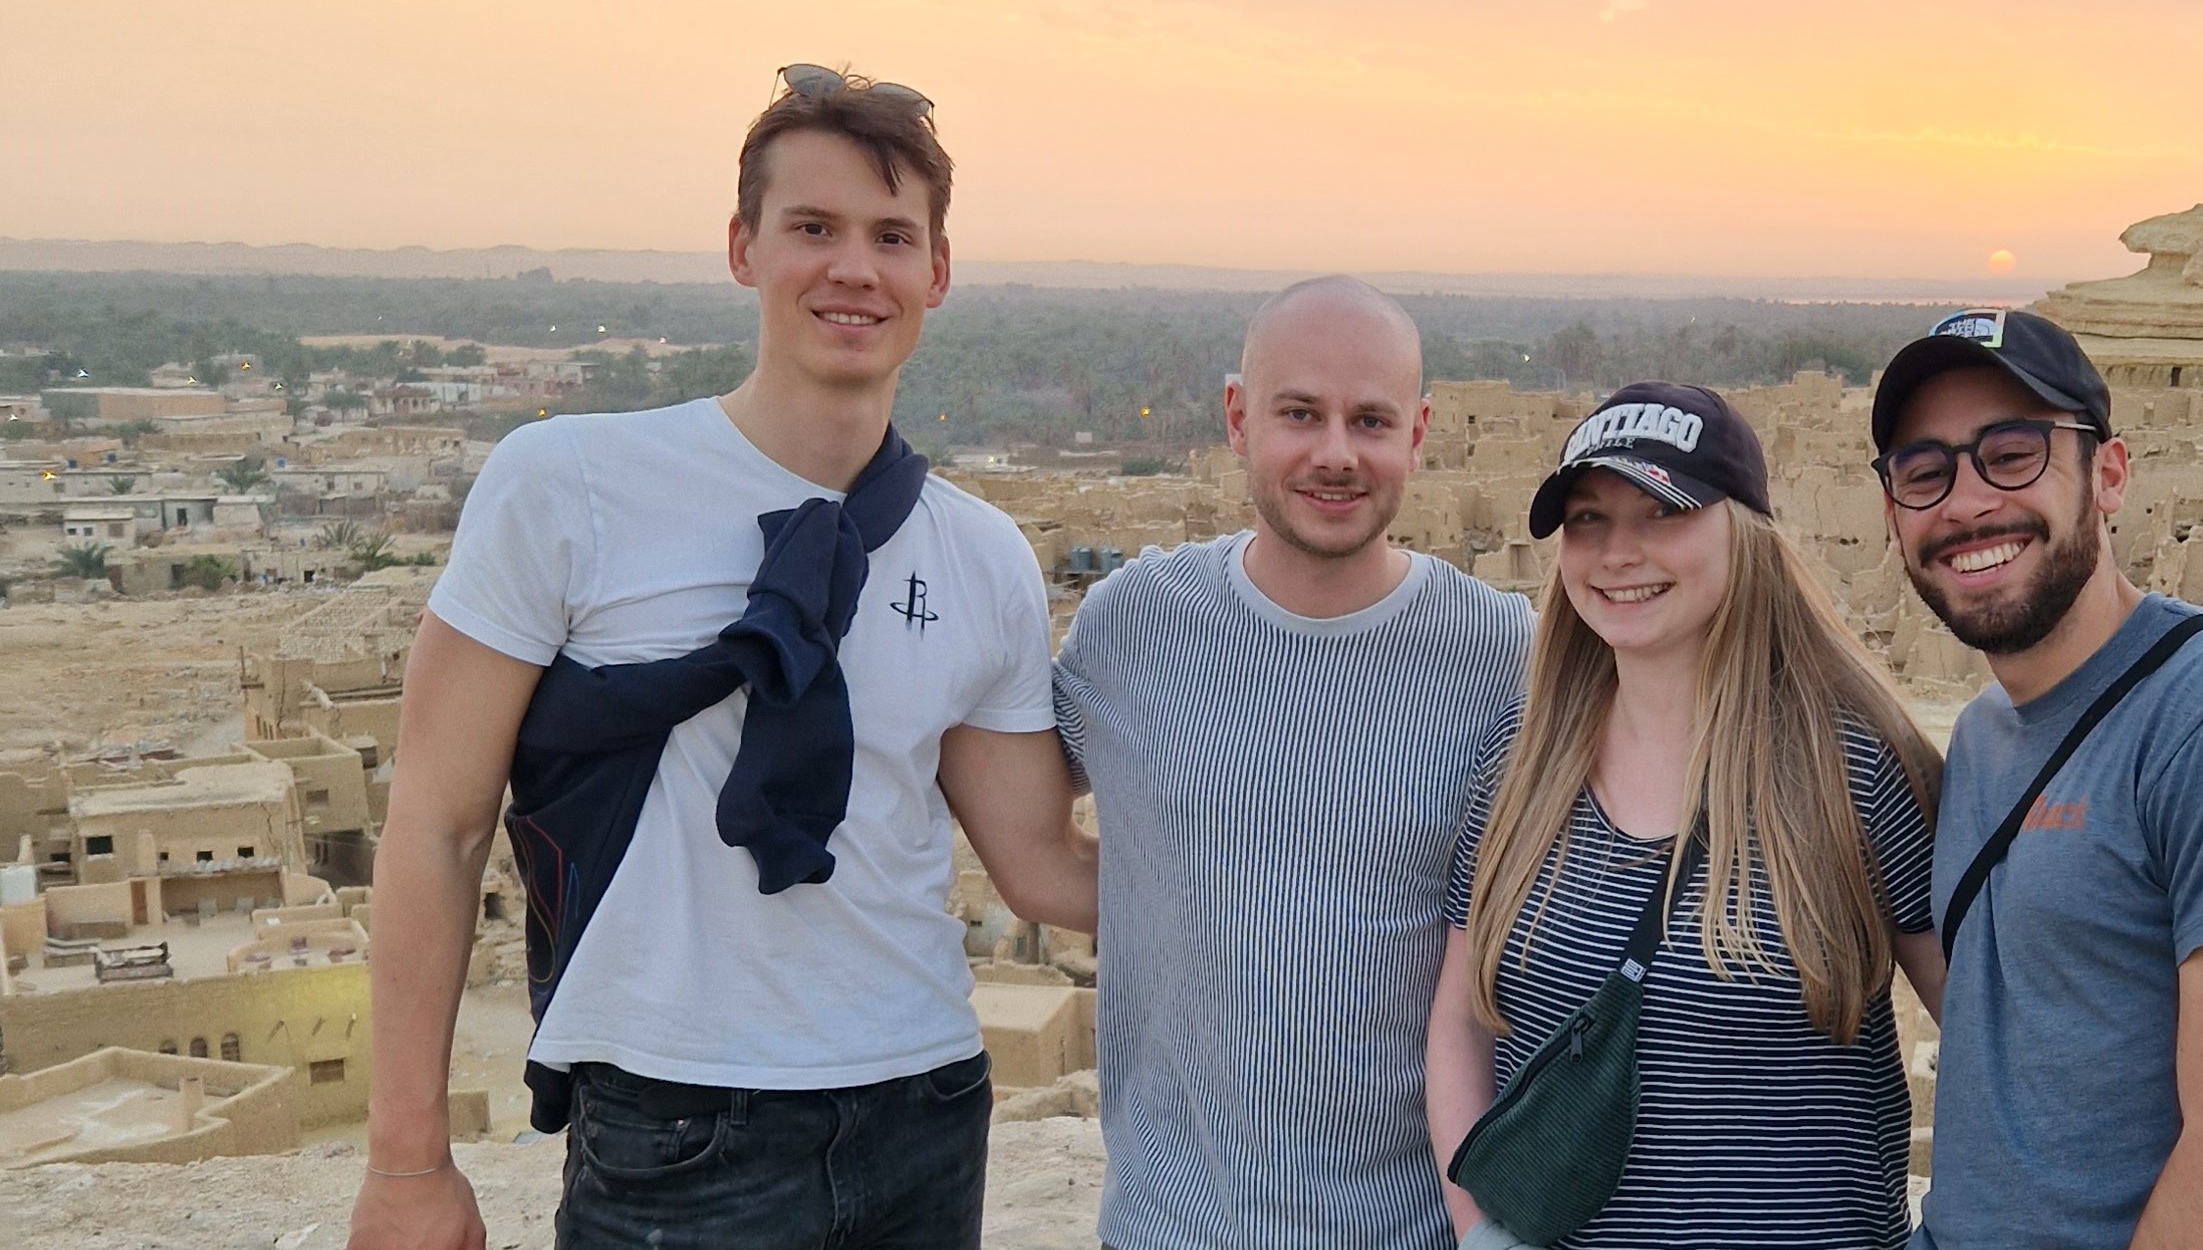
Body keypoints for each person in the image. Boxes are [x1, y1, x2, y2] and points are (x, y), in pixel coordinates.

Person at [348, 67, 1096, 1250]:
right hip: (673, 1117)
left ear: (937, 273)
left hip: (925, 1103)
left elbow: (1044, 865)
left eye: (892, 237)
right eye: (814, 228)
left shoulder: (984, 555)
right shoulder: (570, 488)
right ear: (744, 247)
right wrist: (406, 1161)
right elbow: (436, 826)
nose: (855, 268)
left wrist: (1305, 879)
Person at [1876, 308, 2203, 1250]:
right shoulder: (1989, 735)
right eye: (1926, 472)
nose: (1967, 503)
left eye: (2013, 453)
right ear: (1894, 514)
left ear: (2108, 474)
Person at [1053, 276, 1537, 1249]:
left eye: (1370, 419)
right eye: (1299, 414)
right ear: (1238, 418)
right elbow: (1020, 842)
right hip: (1170, 1225)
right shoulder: (1133, 626)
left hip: (1409, 1229)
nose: (1334, 453)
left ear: (1418, 431)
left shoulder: (1502, 654)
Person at [1425, 383, 1948, 1249]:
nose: (1617, 552)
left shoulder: (1849, 769)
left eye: (1660, 515)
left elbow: (1984, 1026)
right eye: (1588, 519)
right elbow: (1459, 1021)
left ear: (1743, 531)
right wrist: (1481, 1230)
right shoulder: (1521, 768)